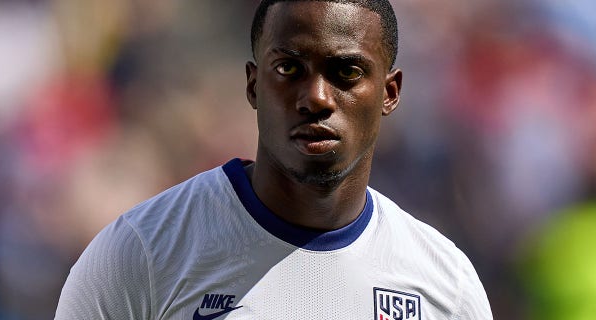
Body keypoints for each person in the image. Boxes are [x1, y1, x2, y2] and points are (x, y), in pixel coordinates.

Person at [55, 0, 493, 319]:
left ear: (390, 93)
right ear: (252, 85)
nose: (316, 98)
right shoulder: (142, 254)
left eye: (346, 72)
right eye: (288, 69)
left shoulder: (444, 287)